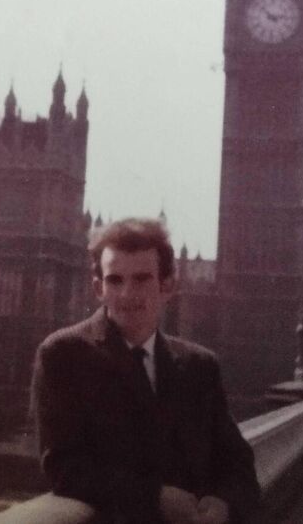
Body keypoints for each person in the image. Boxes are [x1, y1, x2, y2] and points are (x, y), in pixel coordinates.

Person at [31, 218, 261, 524]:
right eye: (115, 280)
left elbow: (238, 464)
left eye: (141, 279)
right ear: (98, 288)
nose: (127, 294)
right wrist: (154, 497)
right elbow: (63, 469)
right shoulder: (63, 355)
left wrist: (223, 504)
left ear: (167, 286)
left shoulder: (200, 366)